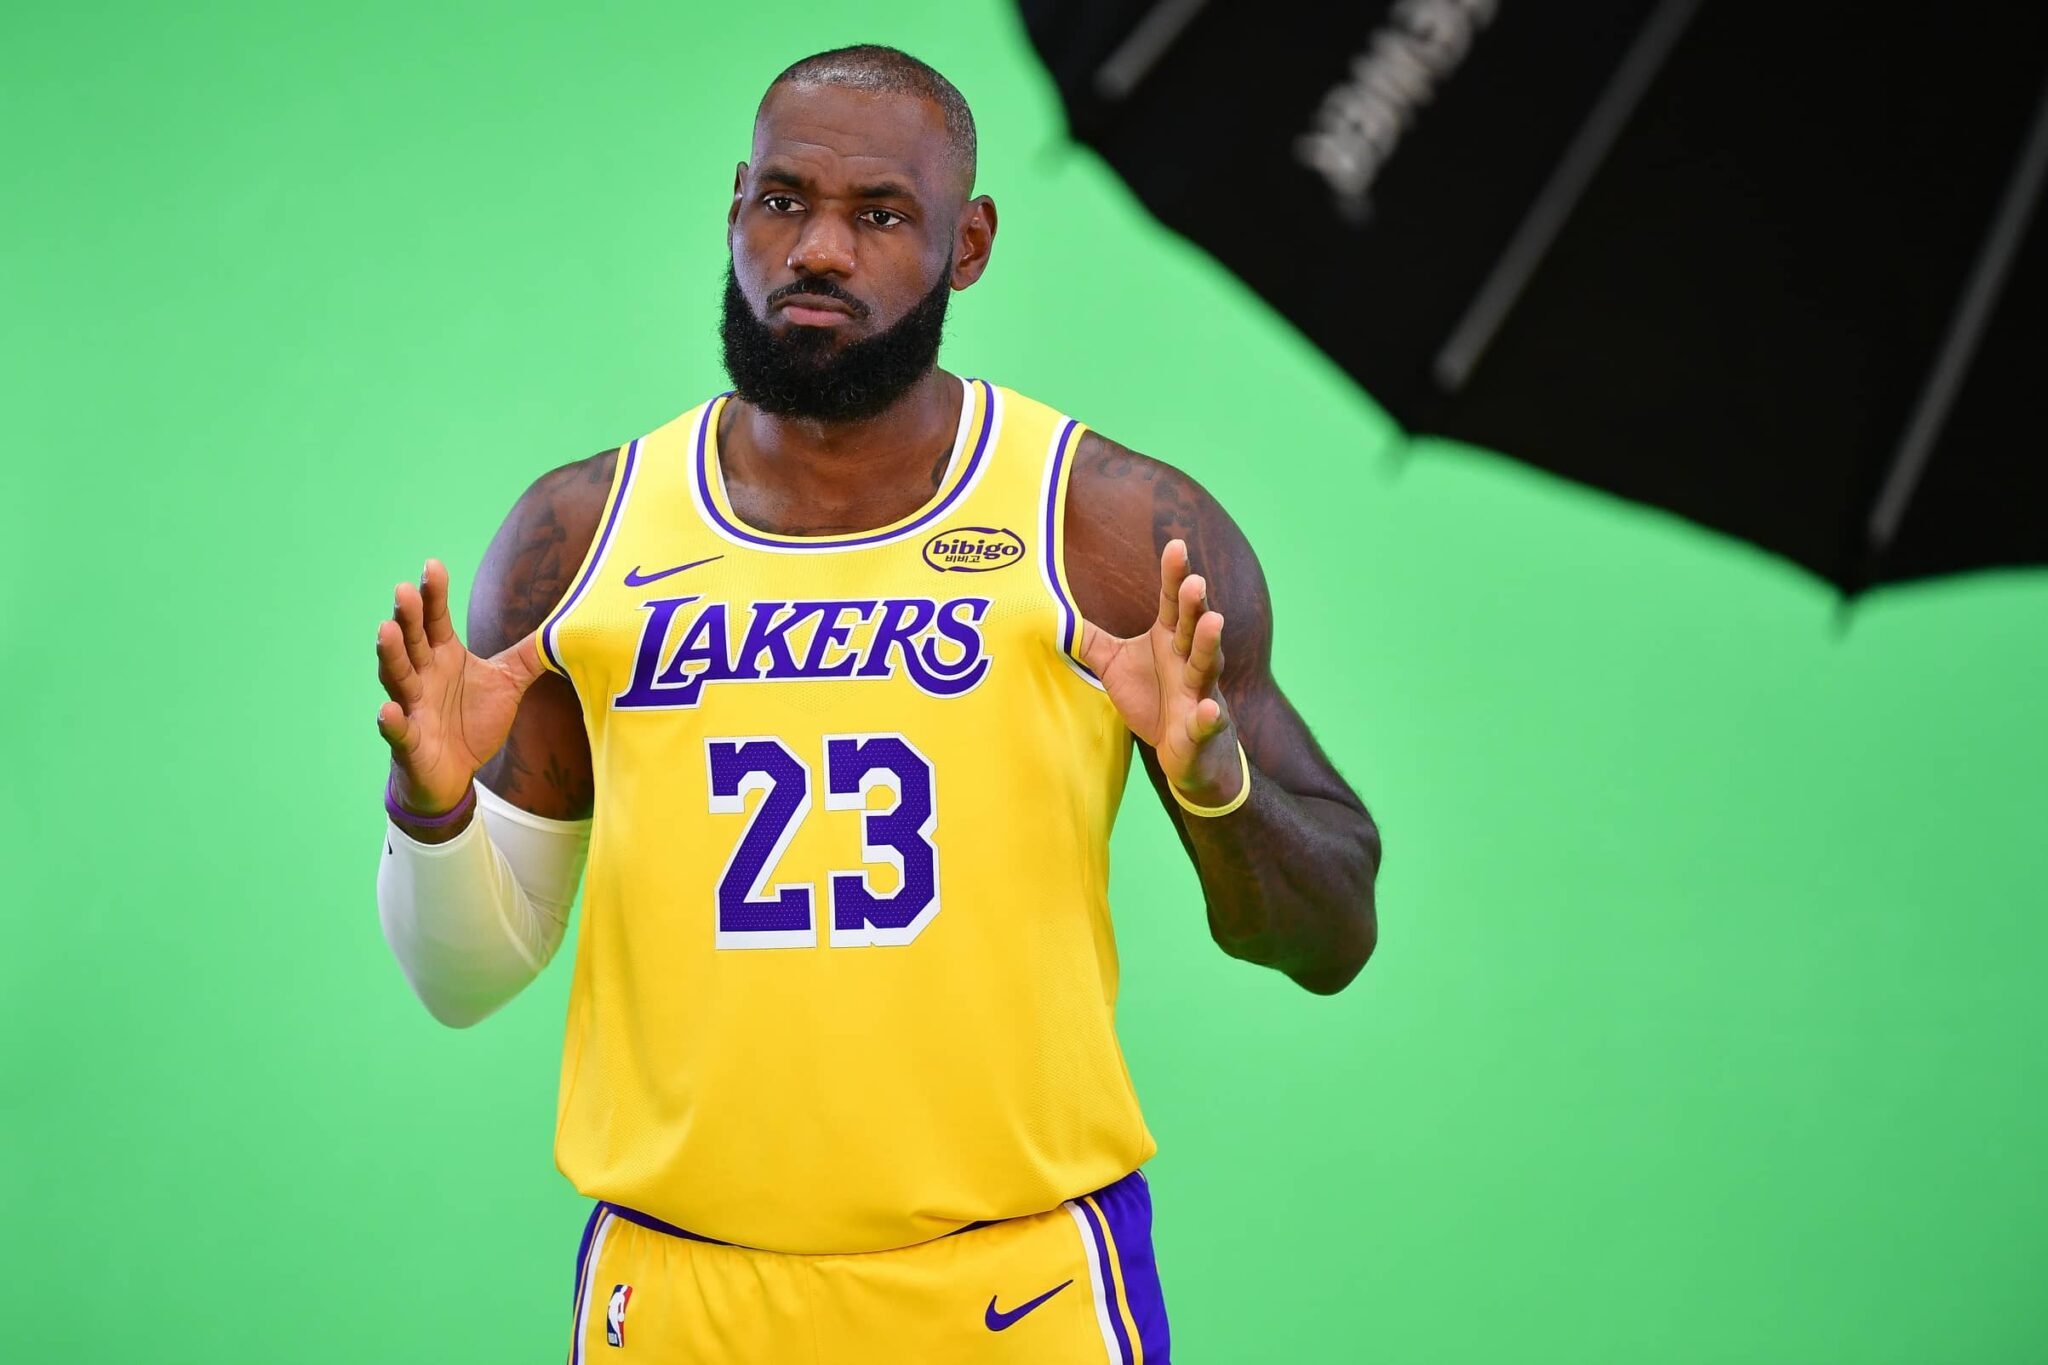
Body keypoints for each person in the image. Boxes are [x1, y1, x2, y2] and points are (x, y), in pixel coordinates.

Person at [372, 44, 1379, 1364]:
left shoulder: (1106, 529)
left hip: (1014, 1297)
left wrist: (1213, 787)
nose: (819, 252)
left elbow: (1333, 931)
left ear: (968, 246)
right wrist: (433, 805)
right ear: (734, 206)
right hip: (681, 1300)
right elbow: (465, 978)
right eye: (783, 200)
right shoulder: (585, 535)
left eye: (881, 215)